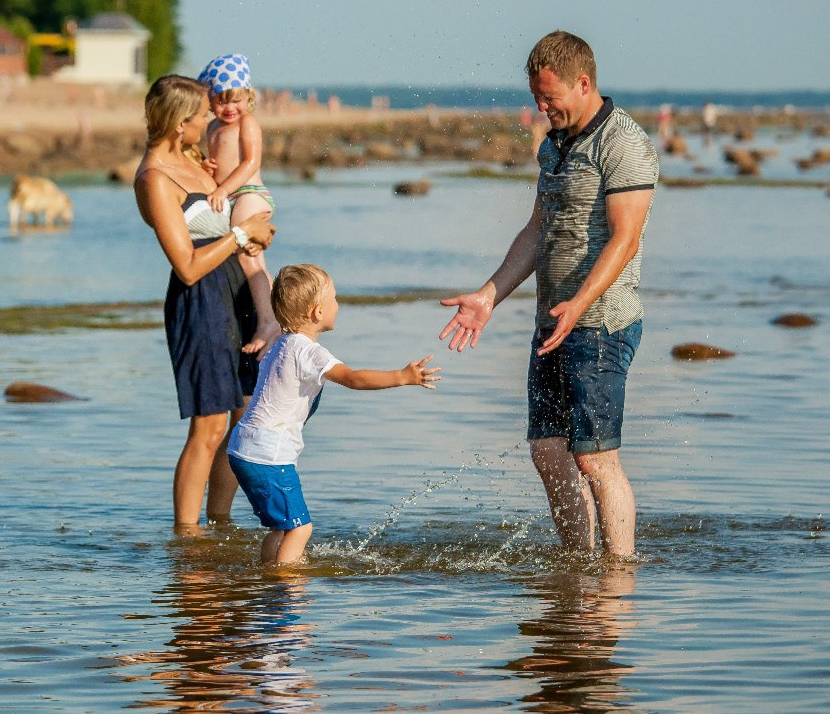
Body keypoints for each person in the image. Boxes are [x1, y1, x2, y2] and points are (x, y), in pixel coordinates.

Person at [439, 30, 658, 557]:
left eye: (550, 97)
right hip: (552, 323)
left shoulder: (622, 143)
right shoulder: (553, 145)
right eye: (537, 97)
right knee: (546, 451)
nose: (541, 108)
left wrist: (579, 304)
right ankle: (577, 563)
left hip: (601, 322)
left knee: (595, 458)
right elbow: (538, 229)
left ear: (583, 83)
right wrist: (490, 295)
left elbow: (625, 238)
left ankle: (617, 574)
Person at [134, 74, 277, 528]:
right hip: (201, 302)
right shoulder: (155, 178)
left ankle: (220, 523)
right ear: (179, 123)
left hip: (237, 290)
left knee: (241, 422)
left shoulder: (196, 157)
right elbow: (187, 266)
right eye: (201, 116)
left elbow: (234, 205)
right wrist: (241, 234)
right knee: (208, 427)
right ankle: (186, 536)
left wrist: (256, 232)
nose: (210, 121)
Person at [228, 263, 440, 565]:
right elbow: (352, 378)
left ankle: (269, 576)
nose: (338, 306)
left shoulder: (280, 346)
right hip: (269, 454)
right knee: (301, 528)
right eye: (335, 299)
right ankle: (287, 583)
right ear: (316, 312)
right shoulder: (310, 352)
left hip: (243, 448)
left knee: (282, 527)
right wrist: (402, 376)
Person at [198, 54, 281, 356]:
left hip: (250, 193)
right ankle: (270, 314)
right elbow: (218, 163)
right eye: (221, 101)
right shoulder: (211, 129)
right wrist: (208, 169)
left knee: (247, 251)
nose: (230, 108)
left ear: (248, 96)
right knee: (250, 258)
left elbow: (250, 163)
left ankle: (268, 321)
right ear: (209, 101)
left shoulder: (248, 122)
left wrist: (222, 188)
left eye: (236, 100)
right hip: (230, 195)